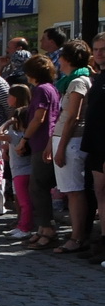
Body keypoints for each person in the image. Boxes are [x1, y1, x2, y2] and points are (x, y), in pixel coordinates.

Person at [51, 40, 93, 254]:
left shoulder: (78, 82)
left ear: (66, 58)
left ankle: (77, 237)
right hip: (64, 140)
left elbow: (73, 118)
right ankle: (77, 233)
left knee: (74, 191)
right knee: (70, 190)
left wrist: (60, 147)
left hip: (72, 141)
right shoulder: (70, 81)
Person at [20, 54, 61, 249]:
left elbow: (39, 117)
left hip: (42, 143)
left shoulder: (42, 90)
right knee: (37, 187)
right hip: (45, 142)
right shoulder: (51, 88)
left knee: (38, 187)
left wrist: (24, 139)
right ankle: (43, 227)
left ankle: (48, 229)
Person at [2, 84, 33, 239]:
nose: (7, 98)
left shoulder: (22, 114)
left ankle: (25, 226)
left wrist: (8, 124)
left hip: (22, 166)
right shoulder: (15, 114)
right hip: (14, 162)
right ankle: (20, 223)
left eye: (10, 95)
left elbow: (0, 135)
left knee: (24, 199)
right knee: (18, 196)